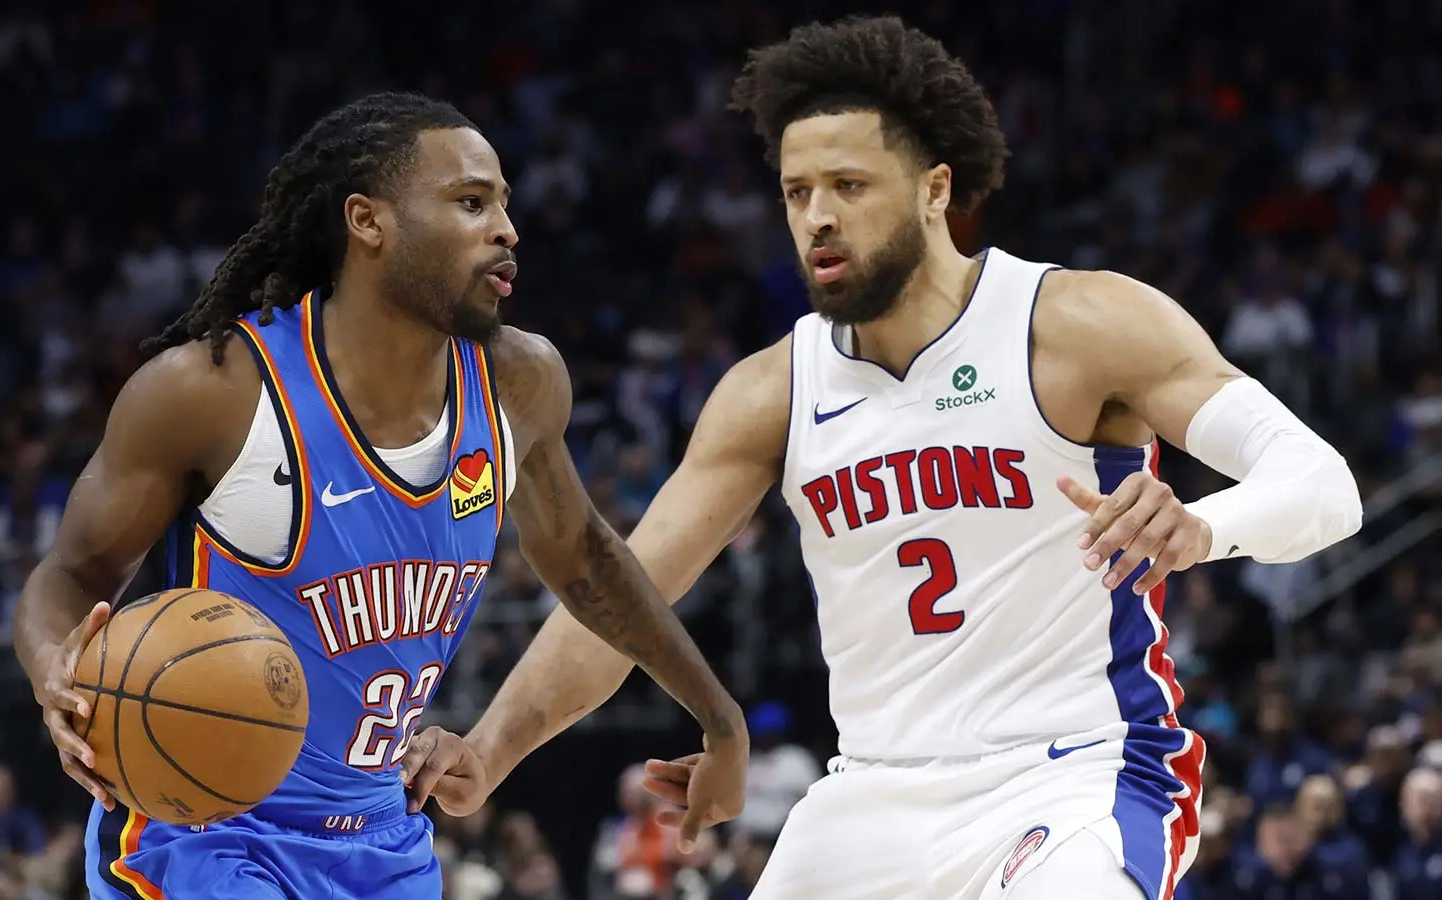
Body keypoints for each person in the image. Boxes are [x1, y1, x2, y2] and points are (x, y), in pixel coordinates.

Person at [402, 16, 1365, 900]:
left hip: (1072, 772)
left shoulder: (1077, 323)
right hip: (870, 793)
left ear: (935, 189)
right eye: (797, 192)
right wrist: (490, 748)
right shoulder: (772, 391)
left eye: (849, 186)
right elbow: (620, 597)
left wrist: (1201, 527)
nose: (817, 216)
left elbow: (1324, 486)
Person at [10, 91, 748, 899]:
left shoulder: (519, 383)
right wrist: (54, 669)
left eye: (505, 203)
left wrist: (719, 716)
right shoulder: (213, 393)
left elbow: (587, 563)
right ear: (368, 221)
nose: (507, 229)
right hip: (205, 834)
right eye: (470, 202)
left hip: (383, 839)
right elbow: (71, 574)